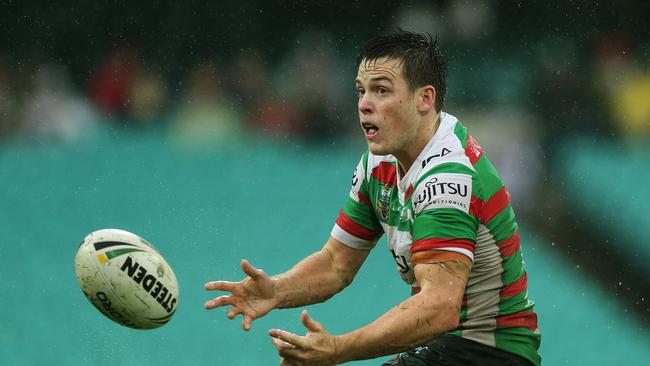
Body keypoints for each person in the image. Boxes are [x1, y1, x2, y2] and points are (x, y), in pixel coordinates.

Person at [204, 30, 541, 366]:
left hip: (491, 354)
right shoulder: (379, 164)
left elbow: (439, 308)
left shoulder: (447, 178)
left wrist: (337, 350)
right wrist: (277, 290)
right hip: (445, 349)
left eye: (381, 90)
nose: (364, 104)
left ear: (425, 99)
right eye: (361, 91)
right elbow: (336, 263)